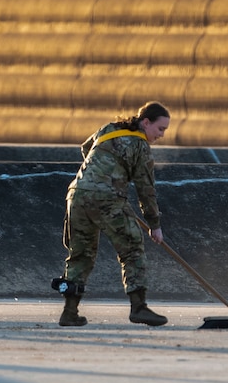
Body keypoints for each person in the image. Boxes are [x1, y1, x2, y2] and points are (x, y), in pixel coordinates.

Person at [57, 101, 172, 328]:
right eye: (160, 129)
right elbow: (146, 190)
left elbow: (86, 149)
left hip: (77, 194)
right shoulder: (141, 147)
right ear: (145, 122)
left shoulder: (109, 128)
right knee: (132, 250)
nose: (161, 135)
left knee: (80, 255)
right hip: (107, 199)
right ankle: (139, 308)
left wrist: (101, 173)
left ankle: (69, 312)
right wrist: (154, 225)